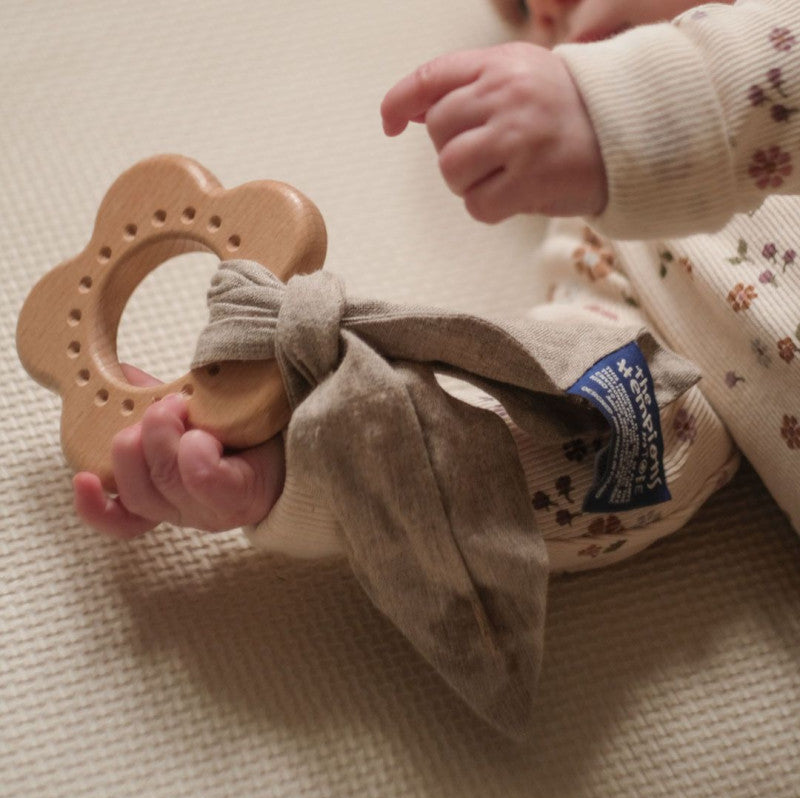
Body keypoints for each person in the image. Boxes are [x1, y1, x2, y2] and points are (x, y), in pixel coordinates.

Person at [73, 0, 800, 571]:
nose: (544, 11)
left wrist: (643, 104)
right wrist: (315, 455)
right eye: (521, 10)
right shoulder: (606, 244)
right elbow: (621, 445)